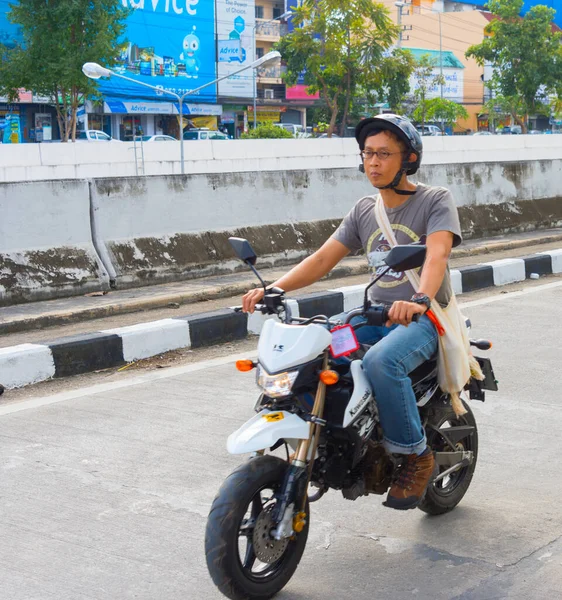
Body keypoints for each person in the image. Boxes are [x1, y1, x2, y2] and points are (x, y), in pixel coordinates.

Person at [242, 114, 462, 510]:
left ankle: (415, 454)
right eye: (368, 154)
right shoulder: (365, 209)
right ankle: (330, 434)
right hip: (374, 315)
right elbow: (324, 257)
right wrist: (273, 288)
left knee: (381, 363)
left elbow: (437, 254)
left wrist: (420, 299)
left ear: (408, 158)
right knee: (320, 349)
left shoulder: (435, 200)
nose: (373, 163)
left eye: (383, 154)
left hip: (424, 319)